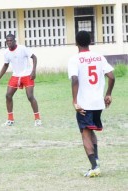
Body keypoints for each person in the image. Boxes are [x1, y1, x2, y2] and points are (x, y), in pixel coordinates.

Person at [68, 30, 115, 177]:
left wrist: (75, 101)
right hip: (98, 103)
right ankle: (97, 161)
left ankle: (94, 166)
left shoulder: (75, 59)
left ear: (76, 42)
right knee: (91, 130)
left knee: (85, 134)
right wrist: (108, 94)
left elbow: (75, 80)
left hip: (84, 104)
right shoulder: (99, 57)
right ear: (90, 42)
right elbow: (112, 77)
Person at [0, 34, 41, 127]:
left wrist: (33, 71)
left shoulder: (22, 48)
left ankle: (37, 119)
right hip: (15, 76)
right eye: (7, 41)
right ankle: (10, 120)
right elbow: (5, 65)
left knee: (30, 96)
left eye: (10, 40)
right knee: (8, 95)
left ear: (15, 41)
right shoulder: (6, 53)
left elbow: (34, 57)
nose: (9, 42)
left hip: (27, 75)